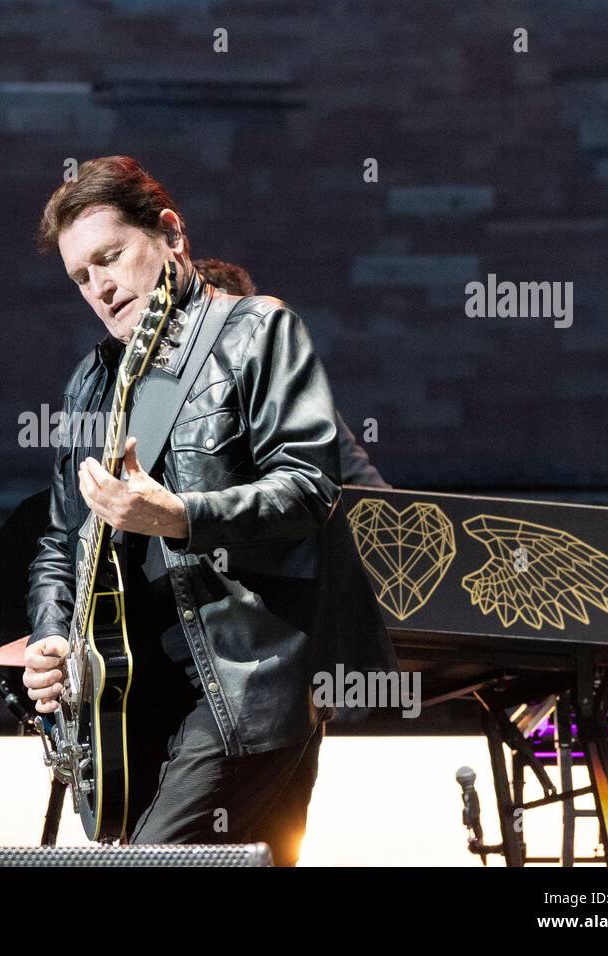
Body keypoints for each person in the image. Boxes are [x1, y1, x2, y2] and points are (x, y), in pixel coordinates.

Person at [23, 156, 396, 859]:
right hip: (135, 699)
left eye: (111, 257)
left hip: (246, 681)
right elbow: (57, 538)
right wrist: (49, 633)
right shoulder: (90, 383)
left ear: (169, 232)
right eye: (81, 276)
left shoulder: (257, 331)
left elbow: (308, 487)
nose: (100, 287)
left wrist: (179, 515)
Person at [191, 257, 390, 864]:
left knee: (274, 834)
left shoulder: (299, 414)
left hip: (279, 653)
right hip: (197, 652)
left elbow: (375, 511)